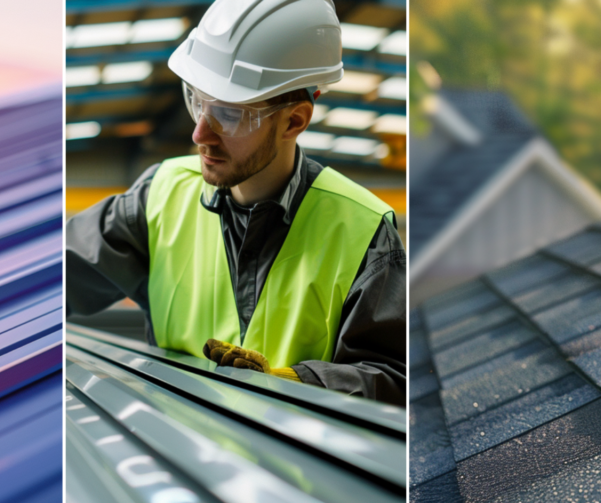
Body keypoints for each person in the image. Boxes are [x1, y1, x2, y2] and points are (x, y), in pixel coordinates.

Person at [66, 0, 406, 405]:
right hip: (172, 457)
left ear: (294, 120)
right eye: (196, 100)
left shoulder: (363, 232)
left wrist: (293, 384)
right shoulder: (159, 196)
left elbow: (392, 380)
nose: (199, 133)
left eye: (228, 114)